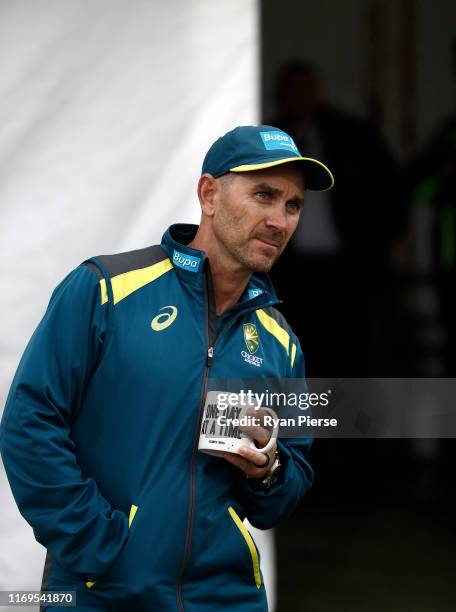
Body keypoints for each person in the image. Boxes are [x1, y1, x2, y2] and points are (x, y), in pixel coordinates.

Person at [0, 125, 334, 611]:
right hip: (102, 594)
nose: (279, 220)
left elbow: (290, 481)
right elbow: (29, 423)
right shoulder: (105, 289)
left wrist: (267, 470)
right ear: (209, 194)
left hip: (227, 597)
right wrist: (101, 546)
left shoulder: (281, 340)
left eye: (293, 205)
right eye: (264, 195)